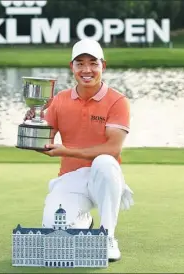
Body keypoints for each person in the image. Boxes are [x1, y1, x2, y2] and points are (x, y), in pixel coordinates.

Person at [24, 39, 134, 262]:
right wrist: (33, 123)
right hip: (71, 178)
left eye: (93, 63)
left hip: (103, 178)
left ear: (103, 65)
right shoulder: (59, 100)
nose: (86, 70)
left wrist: (67, 151)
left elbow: (113, 148)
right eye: (80, 63)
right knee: (56, 228)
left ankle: (107, 236)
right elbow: (45, 143)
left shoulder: (117, 101)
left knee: (104, 162)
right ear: (71, 67)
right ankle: (84, 222)